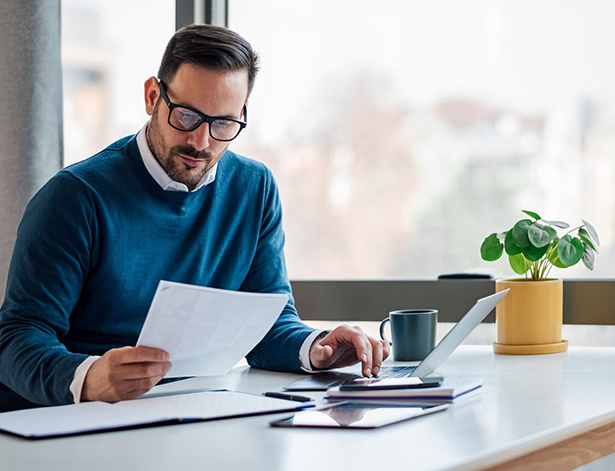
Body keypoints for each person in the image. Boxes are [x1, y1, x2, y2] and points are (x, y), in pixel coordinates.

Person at [0, 24, 389, 411]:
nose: (201, 142)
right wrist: (89, 377)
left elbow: (267, 322)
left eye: (223, 124)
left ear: (241, 114)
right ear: (153, 96)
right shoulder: (75, 197)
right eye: (186, 116)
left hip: (183, 411)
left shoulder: (254, 189)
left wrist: (317, 348)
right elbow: (16, 338)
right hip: (66, 419)